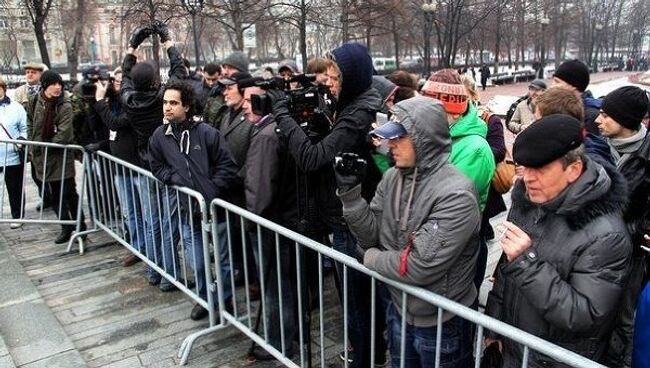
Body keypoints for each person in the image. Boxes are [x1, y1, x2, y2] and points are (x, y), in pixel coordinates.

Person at [336, 96, 480, 367]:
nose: (391, 145)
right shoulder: (392, 177)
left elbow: (418, 266)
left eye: (399, 138)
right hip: (399, 307)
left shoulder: (456, 194)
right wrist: (351, 196)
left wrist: (369, 259)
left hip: (441, 320)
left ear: (423, 139)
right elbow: (370, 236)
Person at [270, 42, 384, 367]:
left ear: (353, 77)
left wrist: (283, 115)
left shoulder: (360, 111)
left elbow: (313, 158)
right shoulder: (347, 104)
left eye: (334, 78)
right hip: (338, 213)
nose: (329, 84)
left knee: (355, 299)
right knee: (353, 296)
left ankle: (365, 356)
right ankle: (366, 349)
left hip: (351, 217)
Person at [485, 114, 631, 366]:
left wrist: (525, 262)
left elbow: (585, 315)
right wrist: (494, 328)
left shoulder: (607, 235)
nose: (527, 178)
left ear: (573, 170)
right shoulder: (528, 200)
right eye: (524, 166)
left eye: (539, 169)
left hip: (552, 360)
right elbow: (504, 275)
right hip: (513, 350)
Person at [149, 80, 238, 320]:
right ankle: (204, 299)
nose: (167, 107)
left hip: (217, 210)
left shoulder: (207, 133)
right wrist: (174, 178)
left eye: (173, 103)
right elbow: (156, 166)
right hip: (188, 211)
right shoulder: (159, 136)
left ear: (186, 106)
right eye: (165, 102)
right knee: (198, 263)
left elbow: (227, 165)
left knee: (223, 262)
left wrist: (212, 189)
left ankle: (224, 301)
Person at [120, 22, 188, 290]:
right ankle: (169, 276)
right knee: (168, 225)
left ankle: (154, 271)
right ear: (155, 82)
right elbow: (179, 71)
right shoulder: (163, 98)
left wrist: (131, 47)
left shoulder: (129, 100)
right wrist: (168, 41)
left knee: (151, 223)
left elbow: (125, 76)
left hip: (143, 167)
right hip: (166, 167)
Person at [241, 84, 299, 360]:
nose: (244, 105)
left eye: (249, 100)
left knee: (275, 287)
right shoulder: (274, 129)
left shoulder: (266, 135)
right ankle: (284, 337)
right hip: (279, 219)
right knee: (280, 285)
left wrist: (252, 220)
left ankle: (278, 342)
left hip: (268, 223)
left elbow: (260, 187)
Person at [595, 86, 650, 367]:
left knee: (624, 319)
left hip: (633, 255)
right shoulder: (598, 147)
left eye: (605, 115)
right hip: (599, 248)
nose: (597, 120)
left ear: (626, 120)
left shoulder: (645, 157)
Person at [421, 69, 495, 210]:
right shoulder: (434, 134)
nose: (424, 116)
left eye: (432, 111)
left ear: (455, 113)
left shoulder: (476, 150)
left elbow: (446, 202)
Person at [26, 70, 86, 244]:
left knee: (68, 193)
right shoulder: (35, 101)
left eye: (60, 84)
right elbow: (30, 121)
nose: (57, 87)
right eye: (53, 84)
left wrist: (48, 145)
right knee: (53, 195)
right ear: (45, 86)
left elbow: (65, 133)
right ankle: (65, 227)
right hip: (41, 156)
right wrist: (34, 142)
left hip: (60, 156)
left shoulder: (64, 105)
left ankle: (80, 227)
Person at [93, 67, 145, 267]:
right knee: (129, 211)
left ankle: (150, 250)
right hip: (120, 167)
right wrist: (100, 101)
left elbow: (116, 124)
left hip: (137, 167)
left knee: (146, 214)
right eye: (114, 82)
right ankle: (137, 247)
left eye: (121, 82)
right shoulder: (111, 104)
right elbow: (99, 126)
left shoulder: (135, 103)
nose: (117, 85)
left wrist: (99, 103)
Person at [552, 59, 613, 164]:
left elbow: (592, 156)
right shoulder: (562, 109)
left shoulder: (591, 115)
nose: (552, 86)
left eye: (557, 82)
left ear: (574, 87)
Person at [0, 78, 27, 229]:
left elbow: (24, 127)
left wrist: (21, 140)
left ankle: (17, 215)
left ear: (3, 88)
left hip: (12, 154)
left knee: (14, 187)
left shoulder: (16, 107)